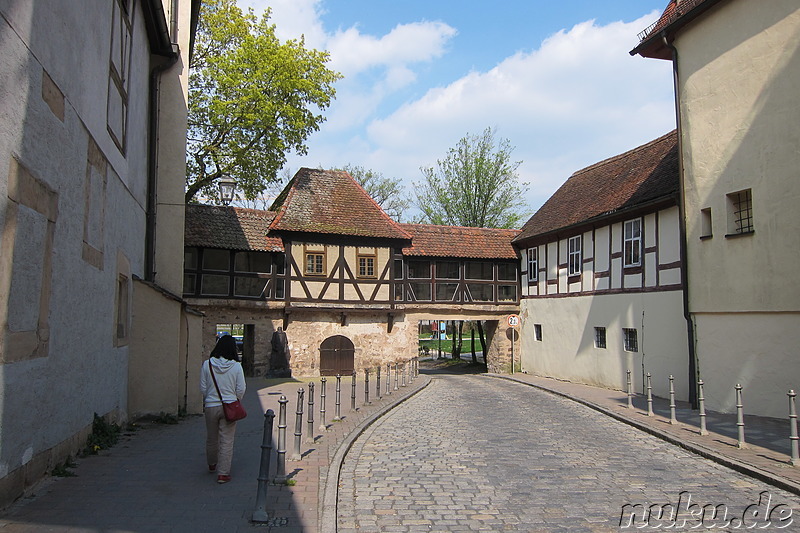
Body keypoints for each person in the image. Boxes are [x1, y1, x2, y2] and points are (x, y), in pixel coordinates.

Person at [199, 334, 246, 484]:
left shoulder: (207, 364)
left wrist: (210, 397)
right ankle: (223, 473)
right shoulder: (236, 367)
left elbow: (203, 387)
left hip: (211, 405)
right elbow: (241, 388)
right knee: (227, 440)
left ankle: (212, 464)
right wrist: (235, 400)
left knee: (212, 438)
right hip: (229, 405)